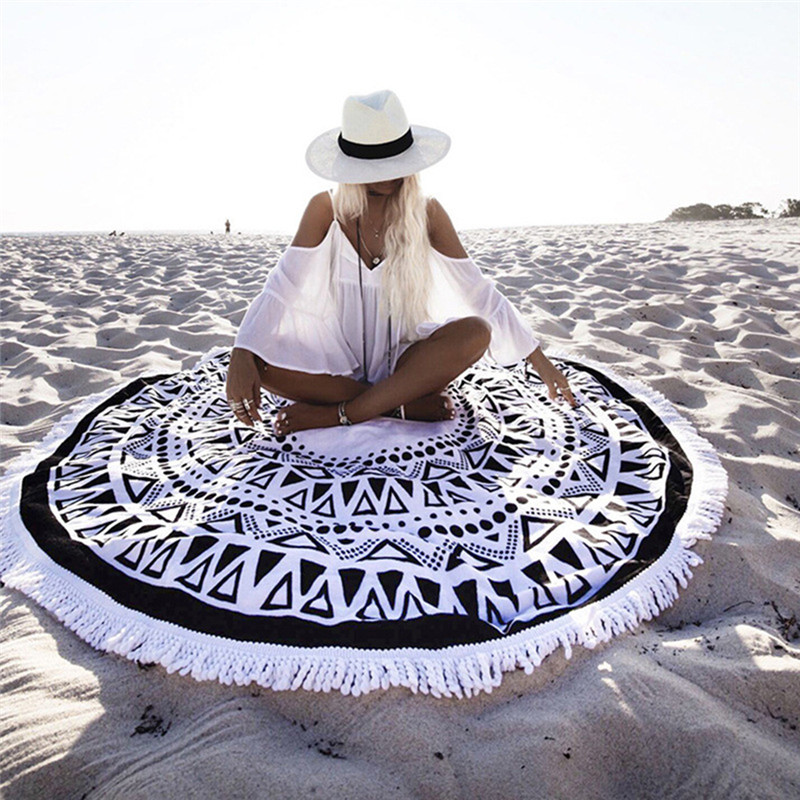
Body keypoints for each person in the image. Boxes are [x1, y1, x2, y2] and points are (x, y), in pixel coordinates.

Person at [226, 90, 574, 437]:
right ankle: (399, 405)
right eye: (378, 165)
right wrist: (242, 352)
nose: (392, 174)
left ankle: (342, 414)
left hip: (406, 363)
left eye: (397, 161)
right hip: (336, 364)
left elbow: (477, 290)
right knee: (260, 363)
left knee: (476, 332)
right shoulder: (325, 209)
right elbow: (283, 285)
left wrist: (539, 361)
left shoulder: (427, 212)